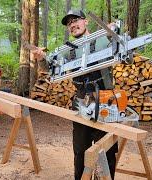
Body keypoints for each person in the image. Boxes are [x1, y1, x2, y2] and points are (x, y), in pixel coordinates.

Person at [32, 9, 118, 180]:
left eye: (75, 20)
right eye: (69, 23)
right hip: (81, 101)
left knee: (106, 152)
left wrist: (114, 31)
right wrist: (41, 58)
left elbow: (123, 51)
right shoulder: (67, 50)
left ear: (85, 21)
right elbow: (48, 68)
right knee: (80, 151)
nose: (72, 25)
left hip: (105, 99)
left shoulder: (102, 38)